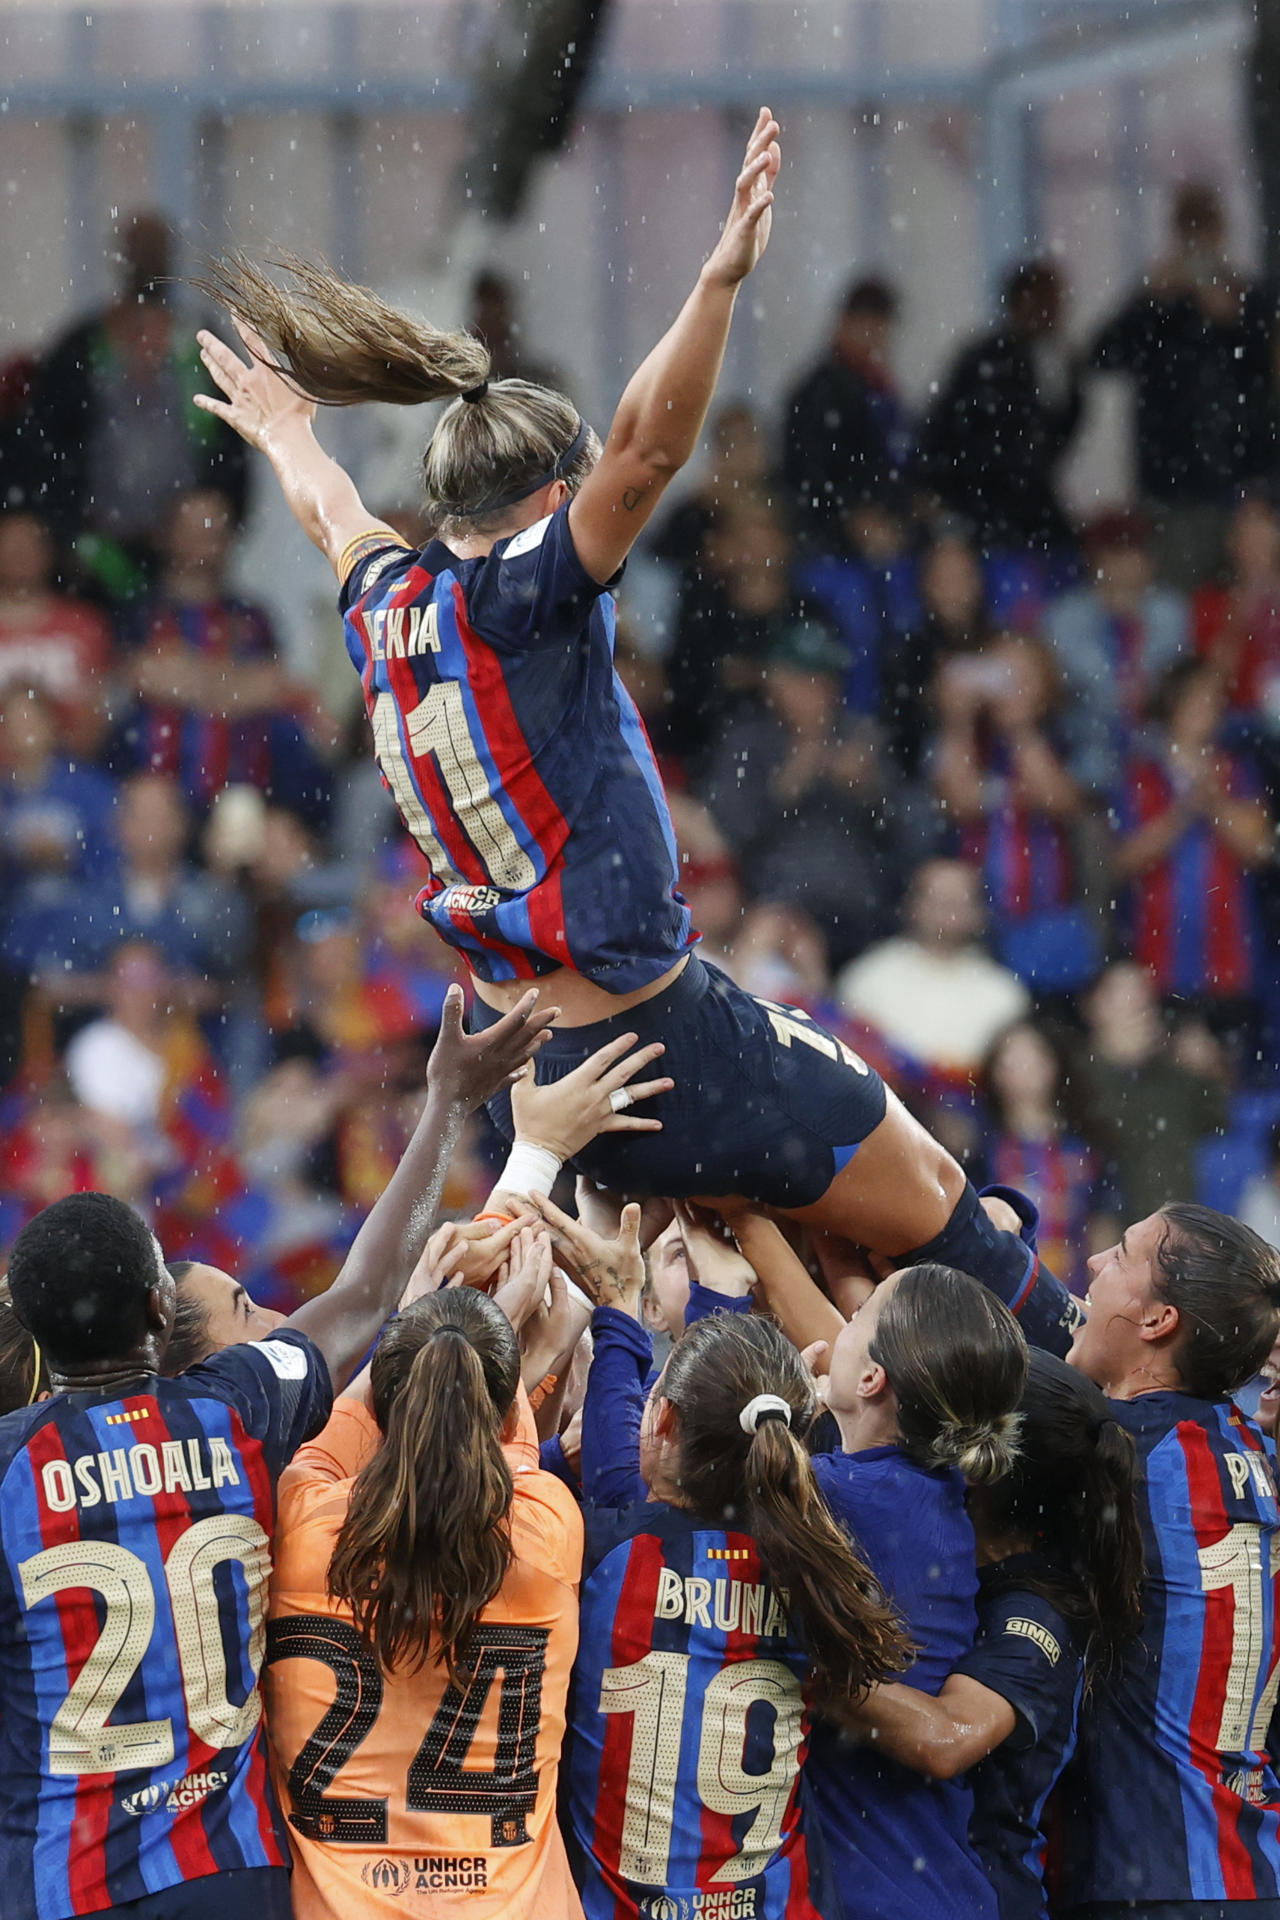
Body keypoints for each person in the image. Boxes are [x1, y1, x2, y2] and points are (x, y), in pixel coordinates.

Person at [195, 108, 1079, 1359]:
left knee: (770, 1299)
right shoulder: (524, 599)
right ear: (554, 500)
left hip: (532, 1068)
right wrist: (717, 280)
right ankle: (1093, 1389)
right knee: (938, 1203)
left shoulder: (384, 600)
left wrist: (289, 434)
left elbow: (333, 509)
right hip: (656, 1041)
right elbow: (653, 444)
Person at [0, 982, 550, 1920]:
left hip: (62, 1882)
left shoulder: (10, 1468)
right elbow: (373, 1292)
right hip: (231, 1877)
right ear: (158, 1311)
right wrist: (450, 1104)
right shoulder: (234, 1411)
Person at [534, 1198, 907, 1920]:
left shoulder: (609, 1548)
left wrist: (617, 1306)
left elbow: (618, 1456)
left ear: (662, 1420)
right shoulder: (820, 1559)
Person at [265, 1283, 583, 1919]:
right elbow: (509, 1457)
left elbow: (328, 1448)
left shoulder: (300, 1527)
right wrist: (493, 1335)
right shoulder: (547, 1528)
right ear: (495, 1412)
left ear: (387, 1401)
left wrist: (408, 1309)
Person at [845, 1349, 1145, 1920]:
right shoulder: (943, 1557)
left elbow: (945, 1740)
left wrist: (799, 1666)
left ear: (981, 1464)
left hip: (982, 1896)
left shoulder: (1035, 1616)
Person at [1056, 1203, 1280, 1918]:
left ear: (1158, 1322)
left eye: (1120, 1255)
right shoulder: (1255, 1449)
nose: (1092, 1265)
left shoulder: (1110, 1457)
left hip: (1153, 1880)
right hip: (1254, 1866)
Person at [802, 1264, 1028, 1920]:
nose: (843, 1326)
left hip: (875, 1896)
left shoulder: (838, 1494)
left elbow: (664, 1477)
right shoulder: (932, 1492)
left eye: (861, 1311)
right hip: (931, 1886)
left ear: (874, 1379)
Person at [1090, 181, 1280, 590]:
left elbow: (1269, 368)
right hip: (1169, 486)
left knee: (1244, 601)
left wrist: (1237, 318)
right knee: (1176, 600)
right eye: (1189, 229)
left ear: (1221, 233)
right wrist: (1150, 298)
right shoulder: (1159, 303)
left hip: (1238, 482)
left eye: (1205, 228)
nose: (1198, 241)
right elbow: (1101, 357)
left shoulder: (1247, 297)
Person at [922, 260, 1083, 562]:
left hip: (1030, 502)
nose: (1053, 311)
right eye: (1045, 300)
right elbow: (943, 431)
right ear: (1019, 303)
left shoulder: (1057, 359)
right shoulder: (983, 359)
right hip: (984, 502)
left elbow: (1059, 433)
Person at [835, 858, 1030, 1081]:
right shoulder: (866, 979)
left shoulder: (1005, 993)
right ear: (911, 906)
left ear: (979, 911)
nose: (949, 907)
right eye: (937, 897)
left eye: (960, 898)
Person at [782, 274, 912, 551]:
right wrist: (854, 517)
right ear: (845, 324)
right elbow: (811, 472)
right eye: (868, 327)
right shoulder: (820, 392)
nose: (877, 338)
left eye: (881, 328)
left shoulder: (880, 387)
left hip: (880, 528)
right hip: (832, 541)